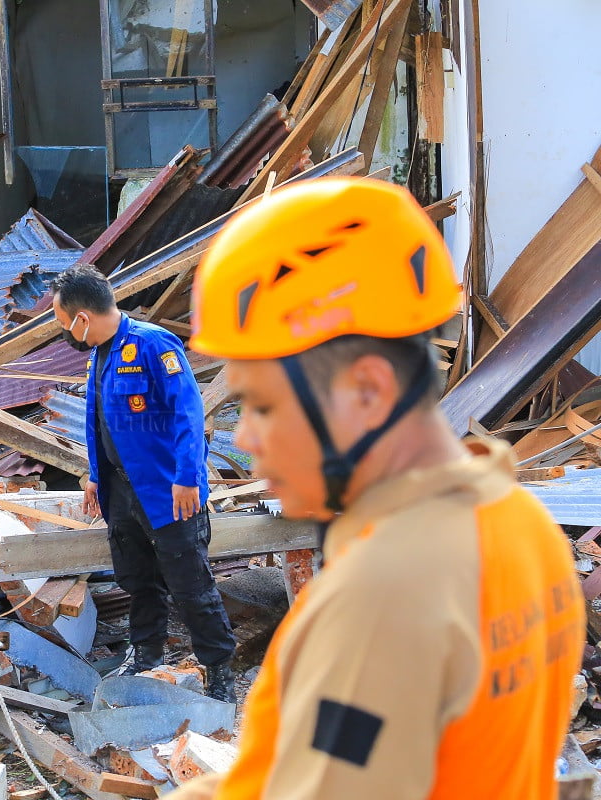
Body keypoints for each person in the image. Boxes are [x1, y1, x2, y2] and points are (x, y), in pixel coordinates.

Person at [170, 177, 584, 799]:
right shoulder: (517, 522)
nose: (246, 439)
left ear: (367, 392)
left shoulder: (383, 597)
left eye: (259, 406)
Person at [49, 264, 237, 703]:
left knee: (190, 585)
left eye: (63, 323)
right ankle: (147, 652)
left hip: (169, 492)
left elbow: (188, 413)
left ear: (82, 317)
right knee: (138, 581)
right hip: (120, 492)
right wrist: (96, 477)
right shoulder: (99, 354)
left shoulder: (153, 345)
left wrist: (188, 478)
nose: (65, 333)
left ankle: (218, 668)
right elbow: (100, 424)